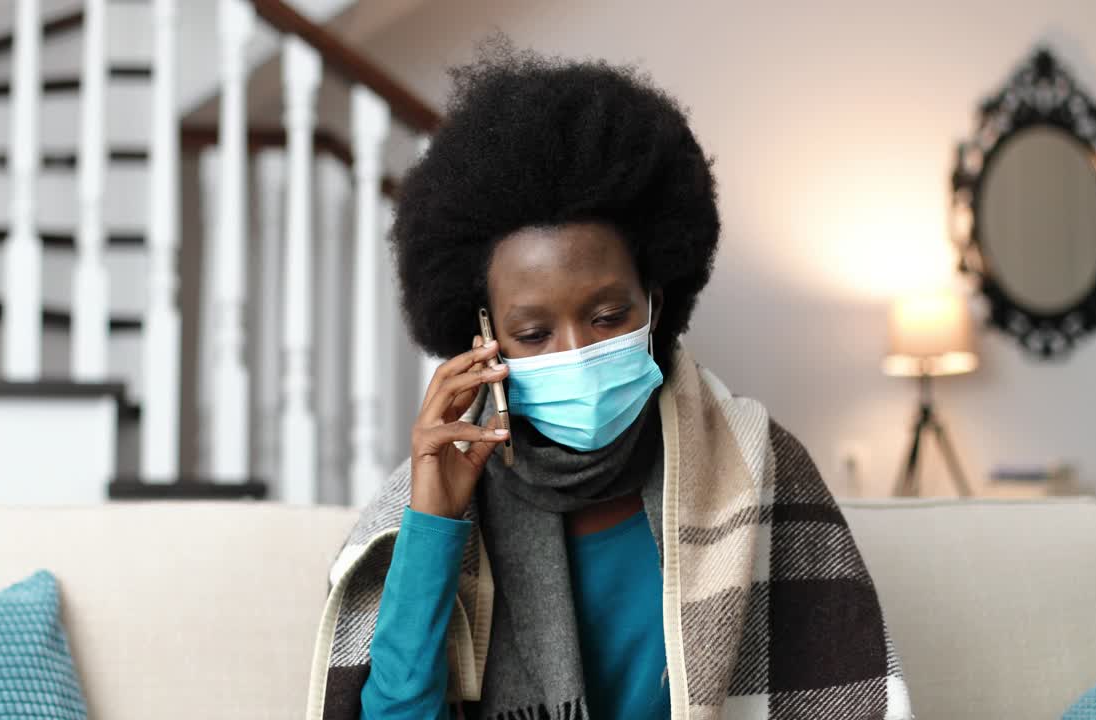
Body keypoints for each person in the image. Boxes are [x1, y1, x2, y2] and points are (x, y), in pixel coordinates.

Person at [304, 36, 911, 720]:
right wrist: (433, 524)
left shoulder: (758, 469)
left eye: (607, 314)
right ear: (484, 337)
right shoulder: (447, 498)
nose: (577, 351)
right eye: (533, 334)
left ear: (655, 299)